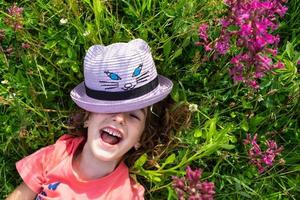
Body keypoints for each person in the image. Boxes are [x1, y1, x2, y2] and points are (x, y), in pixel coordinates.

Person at [6, 39, 190, 200]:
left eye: (134, 115)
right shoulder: (55, 155)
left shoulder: (127, 195)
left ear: (140, 138)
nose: (119, 118)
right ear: (87, 117)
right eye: (107, 109)